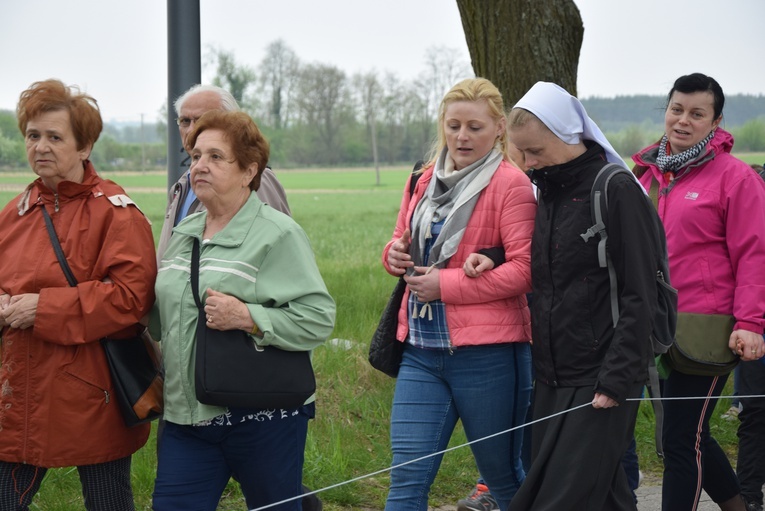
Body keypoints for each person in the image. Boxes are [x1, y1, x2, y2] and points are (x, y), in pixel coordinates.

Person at [149, 109, 335, 511]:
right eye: (196, 156)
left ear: (249, 171)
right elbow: (162, 313)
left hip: (262, 418)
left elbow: (318, 317)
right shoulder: (184, 236)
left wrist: (249, 318)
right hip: (186, 417)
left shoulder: (278, 233)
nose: (200, 165)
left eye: (216, 157)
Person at [490, 81, 660, 511]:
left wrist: (618, 378)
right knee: (604, 496)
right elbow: (553, 262)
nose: (528, 164)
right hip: (551, 374)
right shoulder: (548, 190)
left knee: (555, 500)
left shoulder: (616, 190)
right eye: (521, 154)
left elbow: (642, 293)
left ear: (569, 137)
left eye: (536, 152)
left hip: (601, 376)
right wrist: (492, 256)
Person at [0, 79, 157, 510]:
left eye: (55, 137)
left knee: (107, 503)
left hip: (91, 394)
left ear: (84, 146)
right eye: (33, 136)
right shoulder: (15, 213)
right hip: (20, 392)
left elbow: (131, 298)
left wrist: (43, 307)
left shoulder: (115, 213)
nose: (41, 147)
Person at [381, 77, 536, 511]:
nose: (461, 137)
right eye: (453, 126)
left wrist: (445, 286)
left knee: (504, 480)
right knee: (406, 480)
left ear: (500, 128)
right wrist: (392, 255)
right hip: (420, 349)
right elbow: (400, 240)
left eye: (474, 127)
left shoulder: (512, 184)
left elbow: (526, 271)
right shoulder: (421, 179)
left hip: (489, 356)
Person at [633, 74, 765, 511]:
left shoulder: (736, 177)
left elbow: (754, 255)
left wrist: (750, 322)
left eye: (696, 114)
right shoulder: (647, 173)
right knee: (690, 434)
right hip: (653, 325)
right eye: (676, 109)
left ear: (716, 121)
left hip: (709, 328)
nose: (683, 121)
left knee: (677, 439)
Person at [157, 84, 291, 259]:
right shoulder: (182, 185)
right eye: (185, 121)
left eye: (202, 119)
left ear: (230, 122)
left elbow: (277, 250)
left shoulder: (254, 178)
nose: (191, 129)